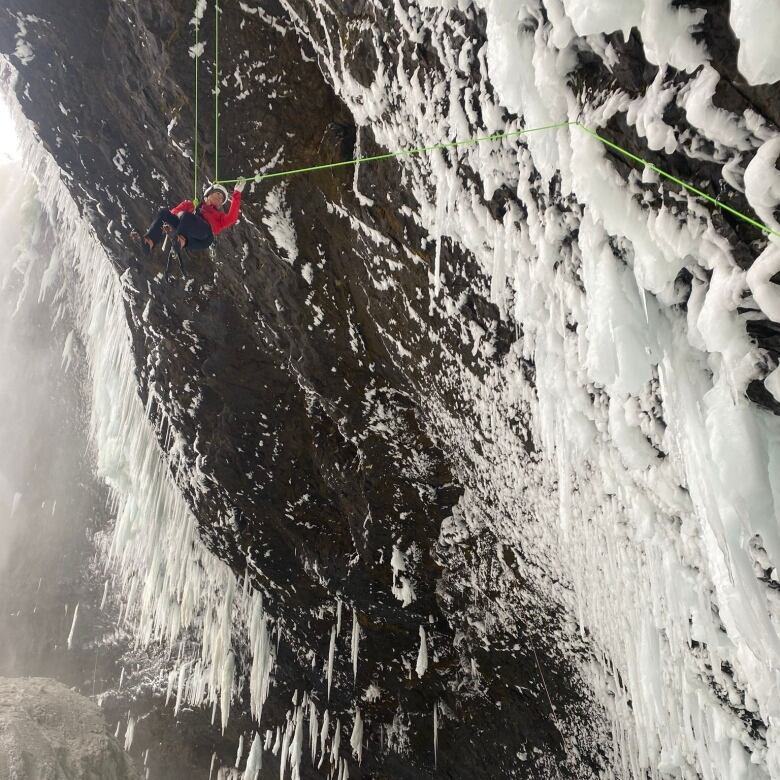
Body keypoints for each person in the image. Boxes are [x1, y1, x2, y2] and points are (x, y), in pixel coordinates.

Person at [134, 178, 247, 277]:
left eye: (222, 199)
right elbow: (174, 213)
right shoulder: (193, 206)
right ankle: (150, 240)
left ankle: (180, 240)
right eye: (218, 194)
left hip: (203, 235)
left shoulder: (219, 217)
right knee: (164, 213)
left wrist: (237, 193)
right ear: (207, 196)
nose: (220, 199)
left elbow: (232, 218)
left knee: (187, 217)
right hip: (186, 227)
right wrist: (189, 206)